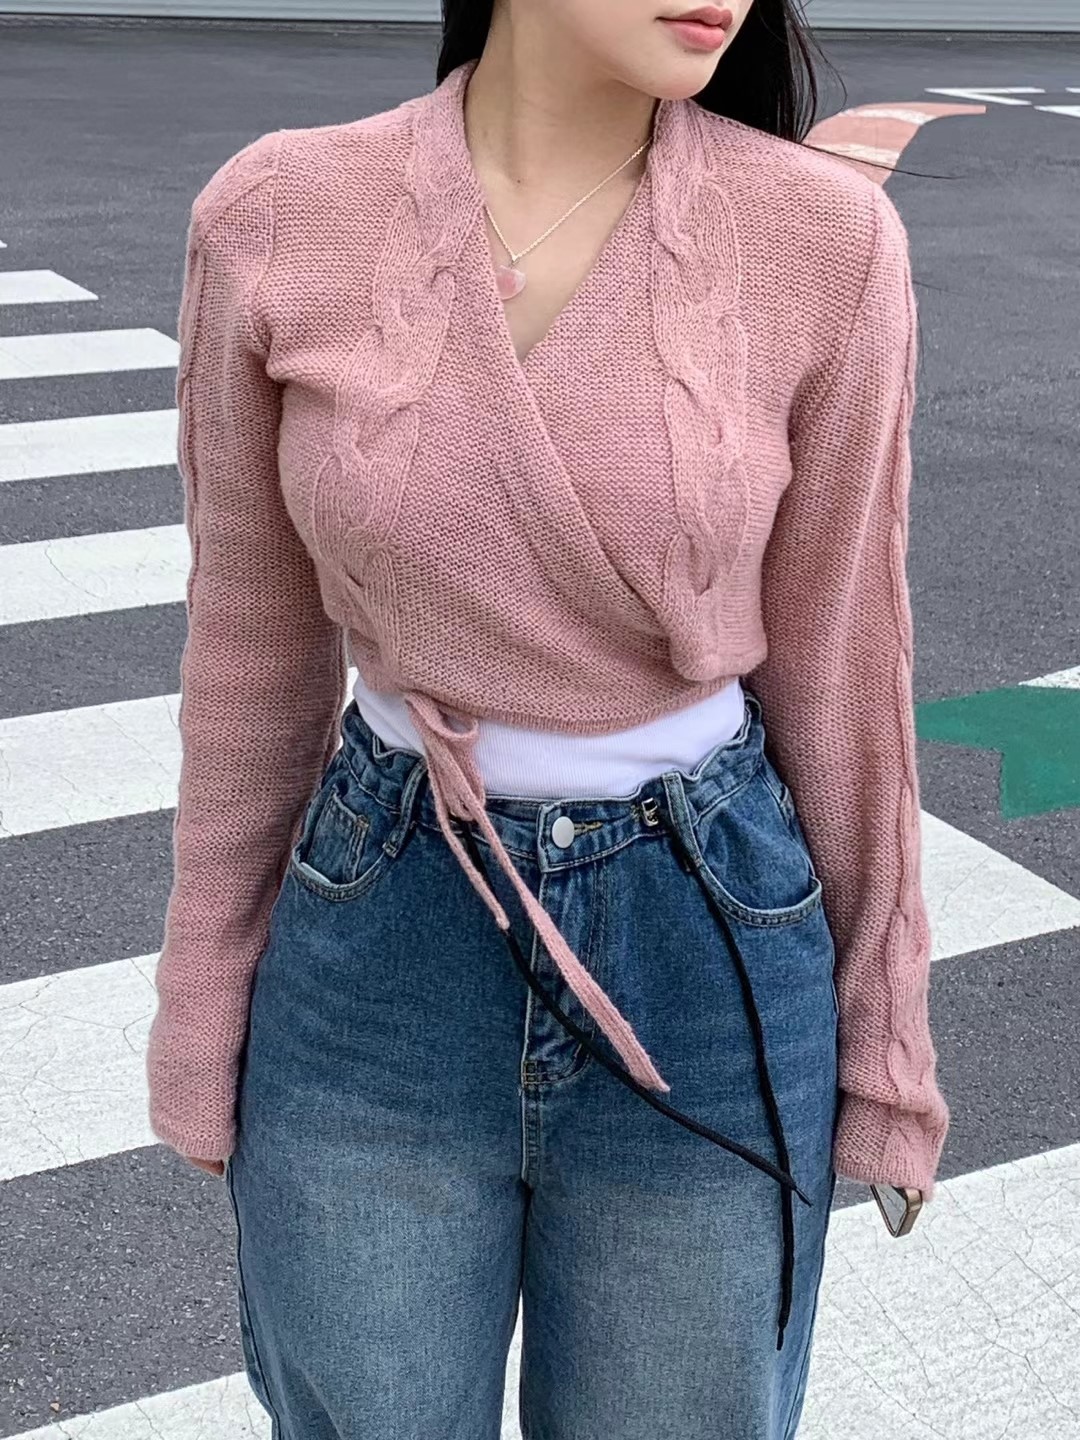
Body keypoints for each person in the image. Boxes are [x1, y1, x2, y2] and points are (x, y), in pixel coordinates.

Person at [146, 0, 950, 1434]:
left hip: (703, 947)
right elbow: (251, 657)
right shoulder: (277, 213)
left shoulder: (826, 244)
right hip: (378, 935)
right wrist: (203, 1006)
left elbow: (846, 665)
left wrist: (887, 1041)